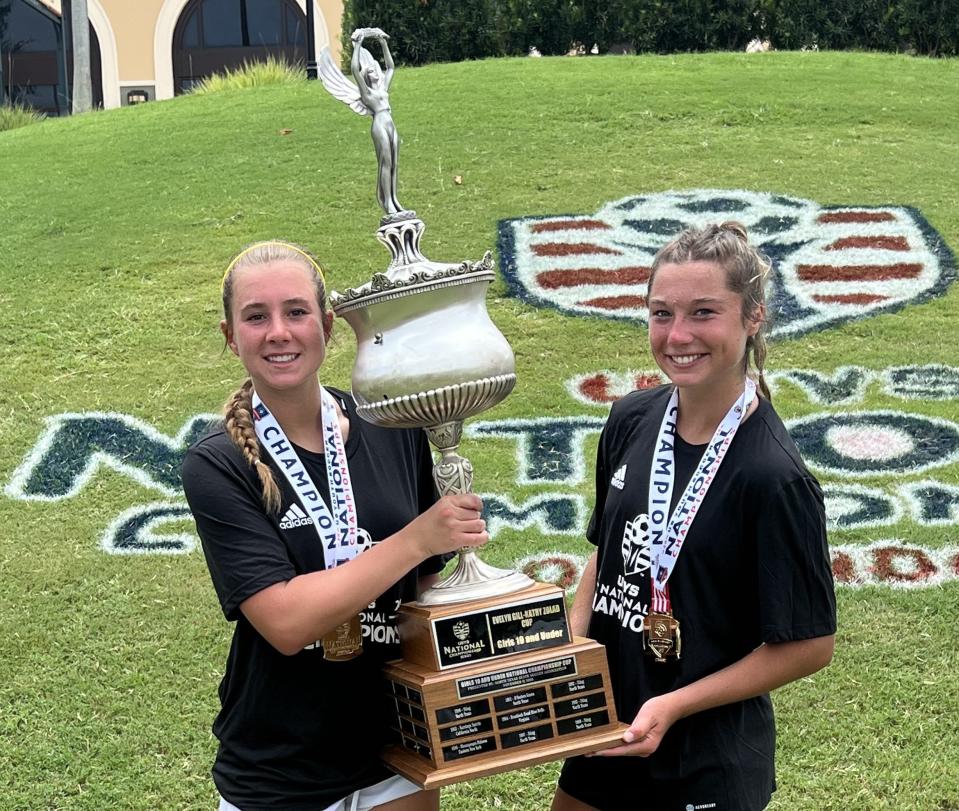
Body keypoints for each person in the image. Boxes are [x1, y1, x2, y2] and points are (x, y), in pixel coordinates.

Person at [181, 241, 488, 811]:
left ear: (326, 324)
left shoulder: (392, 423)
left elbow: (422, 584)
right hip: (282, 765)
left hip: (398, 747)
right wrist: (419, 536)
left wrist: (492, 633)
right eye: (256, 316)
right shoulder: (217, 464)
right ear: (231, 336)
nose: (278, 332)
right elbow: (286, 622)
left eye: (296, 312)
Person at [552, 222, 836, 811]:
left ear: (752, 317)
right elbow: (606, 549)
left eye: (703, 312)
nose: (677, 336)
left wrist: (673, 705)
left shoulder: (773, 476)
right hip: (604, 734)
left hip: (704, 761)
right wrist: (574, 650)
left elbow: (809, 644)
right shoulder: (631, 418)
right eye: (661, 313)